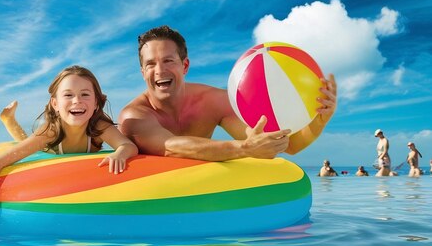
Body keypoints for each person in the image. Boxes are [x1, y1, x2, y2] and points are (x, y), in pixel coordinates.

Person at [118, 25, 338, 161]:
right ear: (142, 71)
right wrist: (244, 149)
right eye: (150, 64)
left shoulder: (213, 101)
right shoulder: (134, 117)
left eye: (168, 60)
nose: (160, 70)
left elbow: (286, 146)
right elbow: (170, 148)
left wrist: (319, 120)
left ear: (184, 66)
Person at [0, 65, 139, 227]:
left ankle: (9, 120)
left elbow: (127, 145)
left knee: (26, 143)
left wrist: (120, 153)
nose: (77, 101)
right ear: (55, 104)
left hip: (44, 147)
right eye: (68, 95)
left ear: (96, 103)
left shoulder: (99, 126)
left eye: (85, 94)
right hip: (46, 148)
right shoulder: (51, 131)